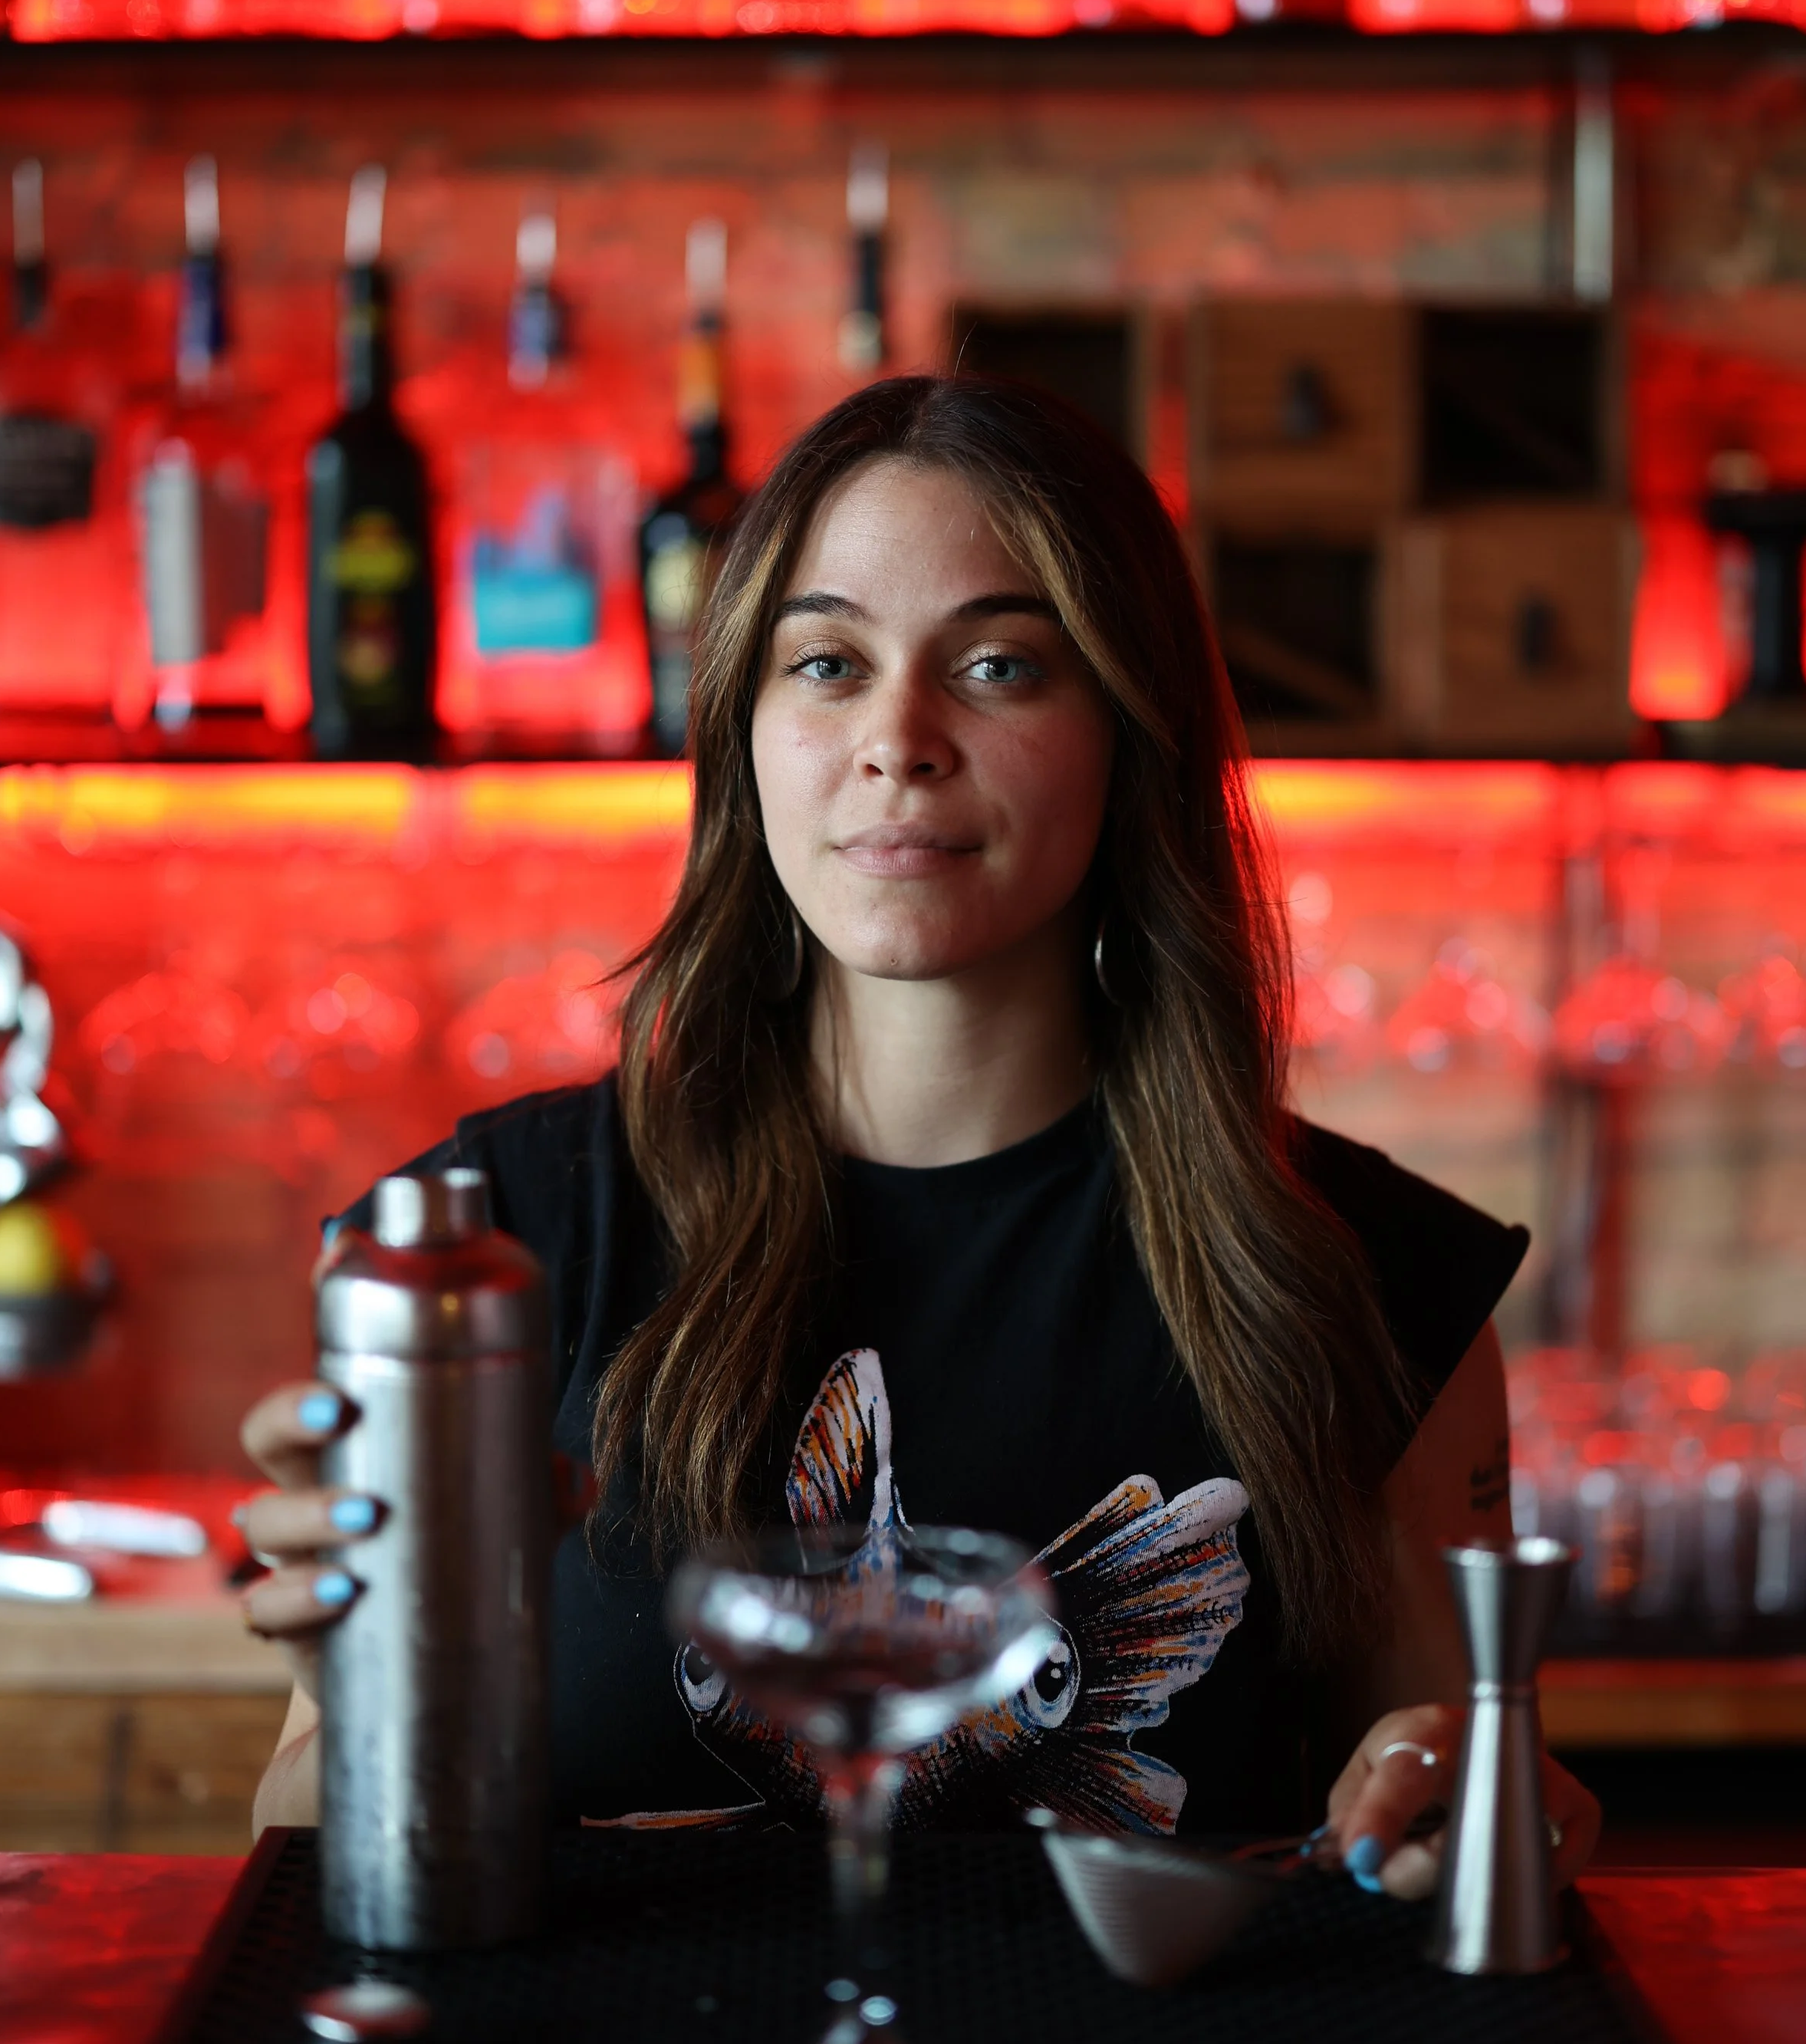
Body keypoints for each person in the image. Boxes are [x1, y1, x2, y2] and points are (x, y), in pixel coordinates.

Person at [240, 373, 1599, 1892]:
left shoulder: (1379, 1284)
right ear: (741, 736)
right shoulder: (479, 1254)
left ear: (1125, 733)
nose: (898, 738)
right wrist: (360, 1697)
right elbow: (302, 1838)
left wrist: (1480, 1808)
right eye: (823, 662)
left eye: (1001, 665)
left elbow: (1436, 1816)